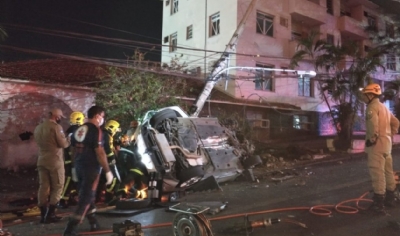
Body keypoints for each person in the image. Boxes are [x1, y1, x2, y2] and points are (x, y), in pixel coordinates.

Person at [63, 106, 113, 236]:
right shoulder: (96, 131)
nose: (102, 119)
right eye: (102, 116)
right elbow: (100, 152)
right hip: (91, 168)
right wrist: (108, 171)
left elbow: (73, 149)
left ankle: (93, 222)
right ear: (97, 116)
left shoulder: (79, 129)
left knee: (86, 194)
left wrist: (74, 167)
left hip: (79, 166)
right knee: (86, 197)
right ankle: (70, 228)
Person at [361, 83, 399, 214]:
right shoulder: (383, 107)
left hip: (377, 146)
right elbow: (396, 123)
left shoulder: (372, 107)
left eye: (365, 95)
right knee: (388, 172)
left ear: (371, 95)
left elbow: (373, 126)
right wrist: (389, 134)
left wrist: (372, 140)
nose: (363, 98)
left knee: (377, 172)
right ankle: (391, 198)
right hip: (386, 145)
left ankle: (378, 204)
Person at [34, 108, 71, 224]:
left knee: (43, 186)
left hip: (41, 160)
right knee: (58, 186)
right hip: (55, 161)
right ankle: (51, 214)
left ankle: (42, 215)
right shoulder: (56, 127)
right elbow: (63, 144)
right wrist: (69, 139)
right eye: (60, 117)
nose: (60, 119)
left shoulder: (38, 127)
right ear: (57, 117)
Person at [59, 111, 85, 208]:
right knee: (70, 179)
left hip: (71, 160)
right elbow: (74, 148)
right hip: (73, 161)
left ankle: (70, 197)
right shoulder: (76, 132)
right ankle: (62, 200)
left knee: (73, 179)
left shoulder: (71, 131)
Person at [96, 119, 121, 204]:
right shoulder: (106, 135)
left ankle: (98, 198)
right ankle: (110, 198)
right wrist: (112, 158)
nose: (115, 132)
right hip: (108, 162)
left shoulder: (104, 134)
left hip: (102, 162)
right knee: (115, 179)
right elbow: (107, 148)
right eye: (115, 129)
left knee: (102, 180)